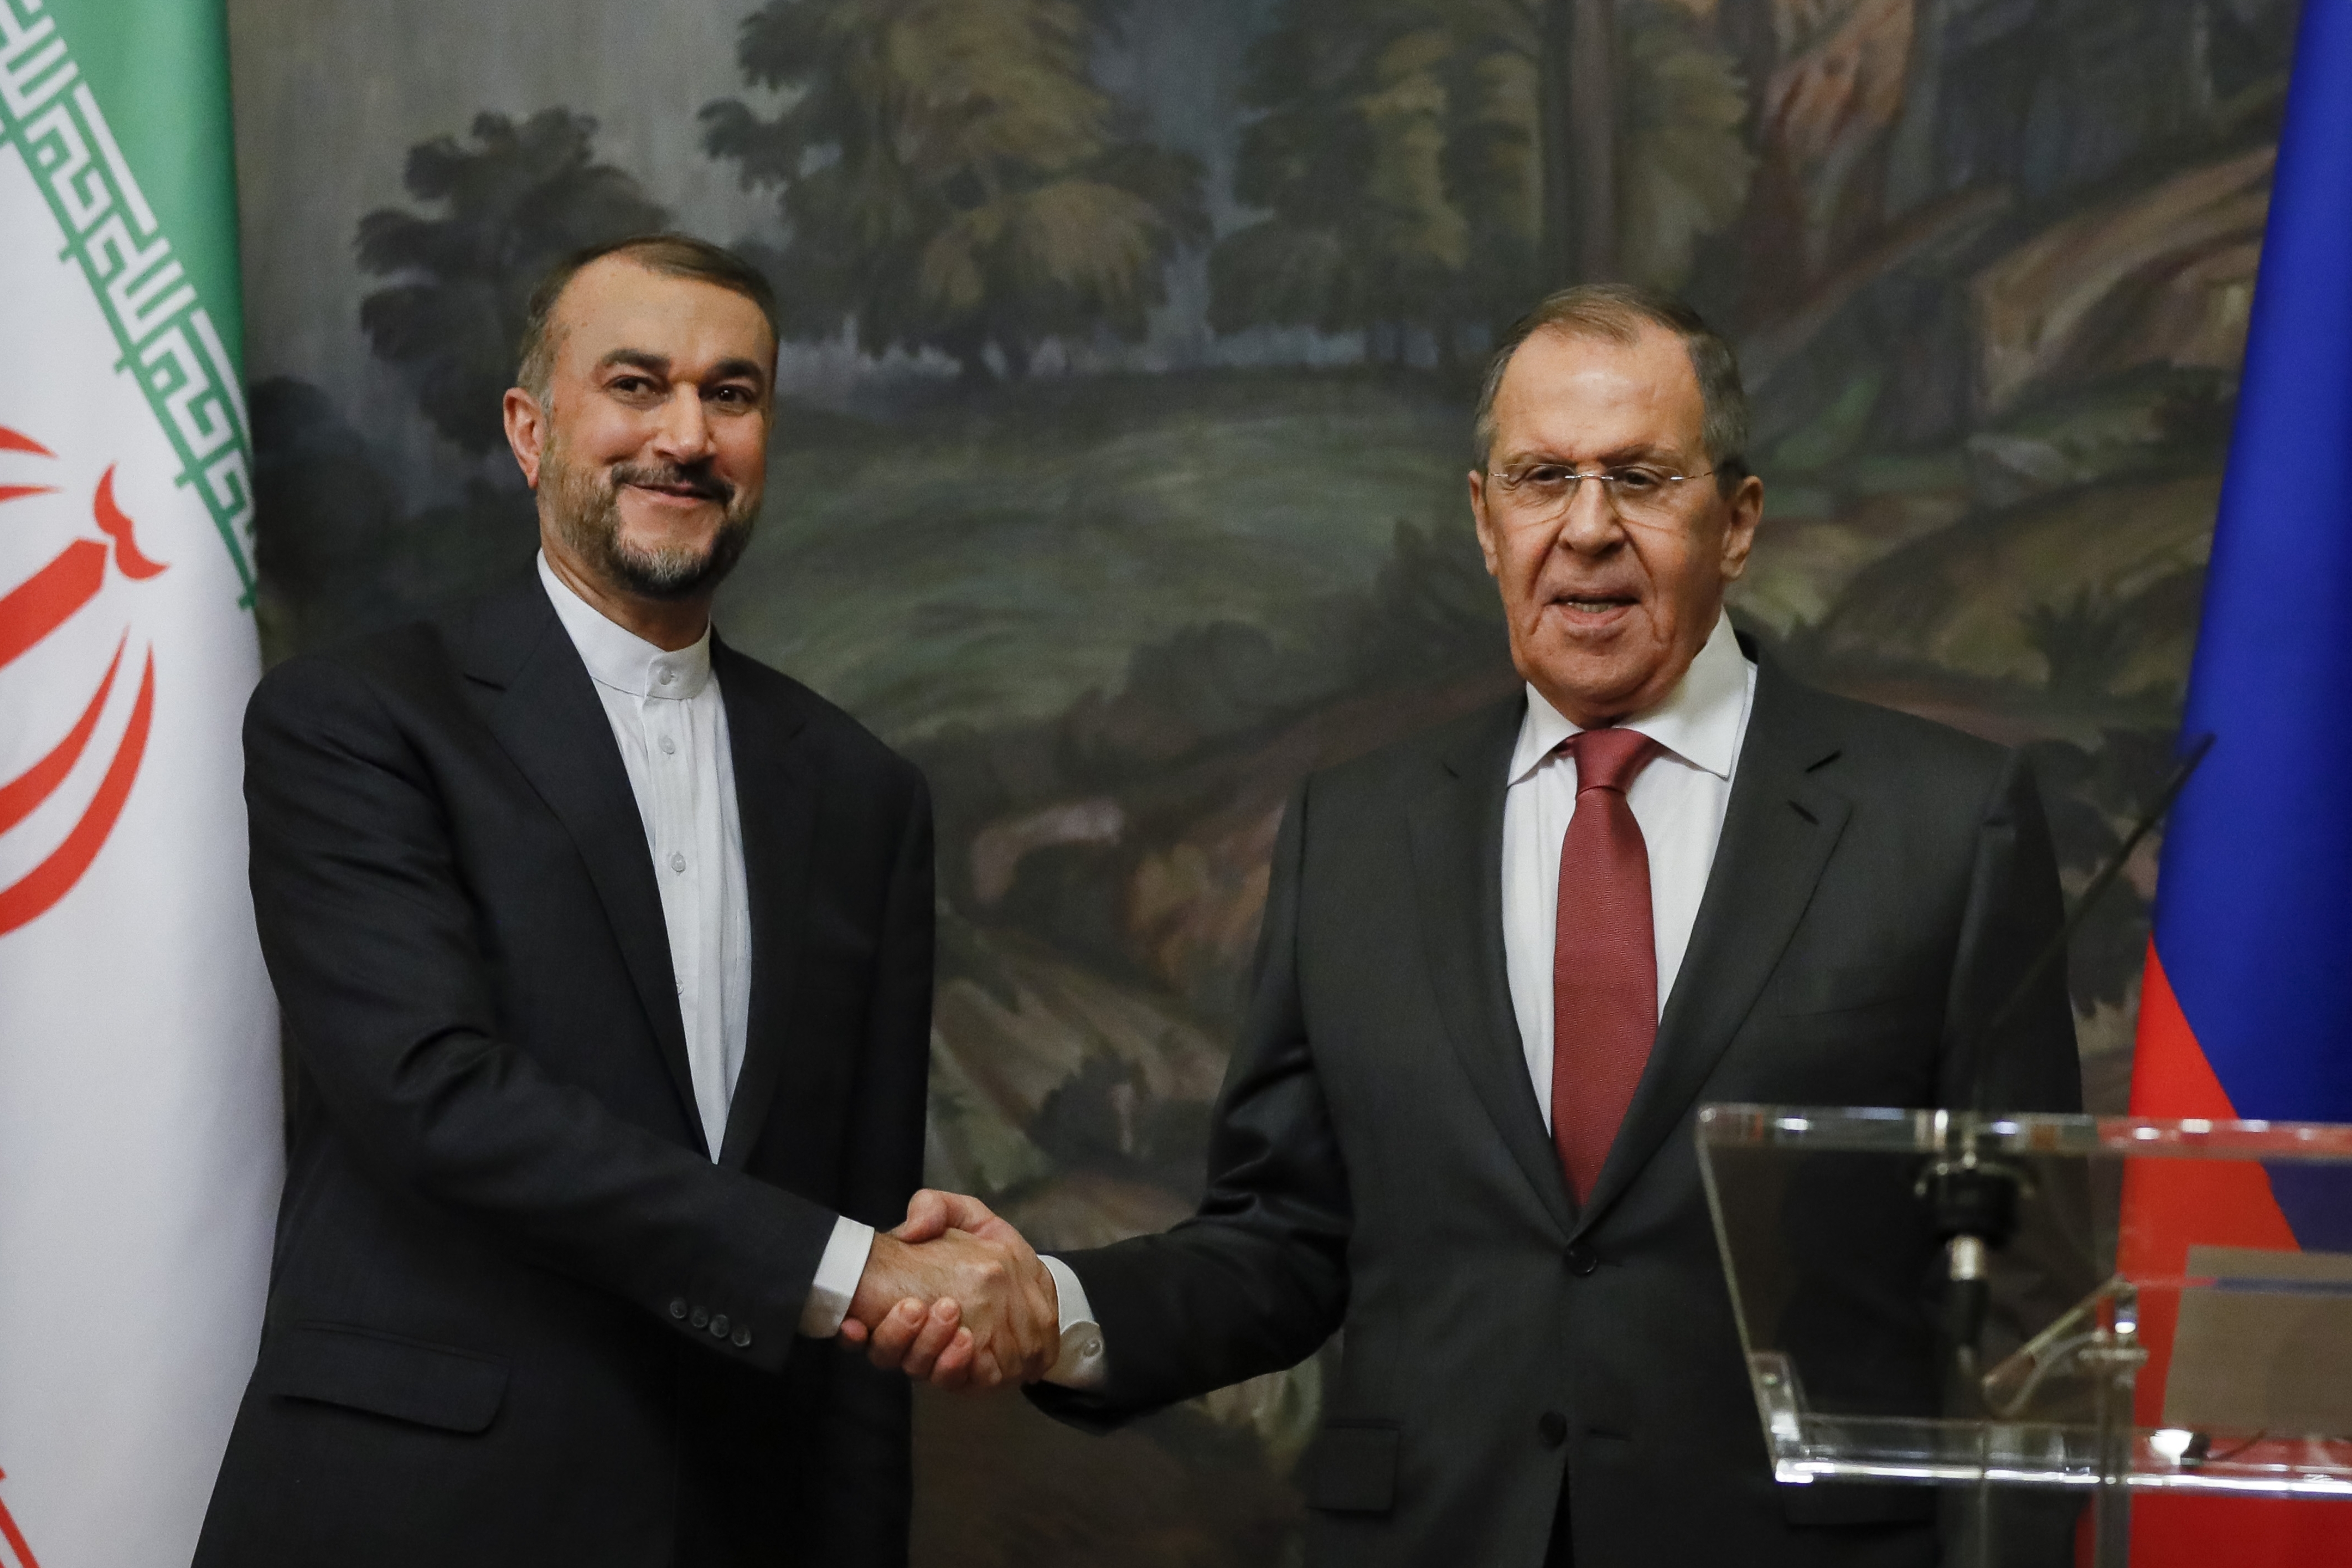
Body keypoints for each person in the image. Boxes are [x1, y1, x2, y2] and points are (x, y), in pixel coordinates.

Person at [865, 286, 2083, 1565]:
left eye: (1641, 478)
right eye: (1542, 478)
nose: (1588, 530)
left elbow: (2031, 1308)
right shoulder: (1357, 829)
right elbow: (1285, 1241)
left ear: (1736, 522)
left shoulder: (1940, 823)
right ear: (1483, 521)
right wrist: (1054, 1304)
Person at [195, 234, 1050, 1568]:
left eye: (733, 394)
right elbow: (436, 1096)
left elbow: (867, 1213)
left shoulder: (864, 792)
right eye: (637, 385)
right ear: (532, 431)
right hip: (414, 1519)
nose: (686, 436)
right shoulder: (355, 721)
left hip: (736, 1527)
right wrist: (850, 1267)